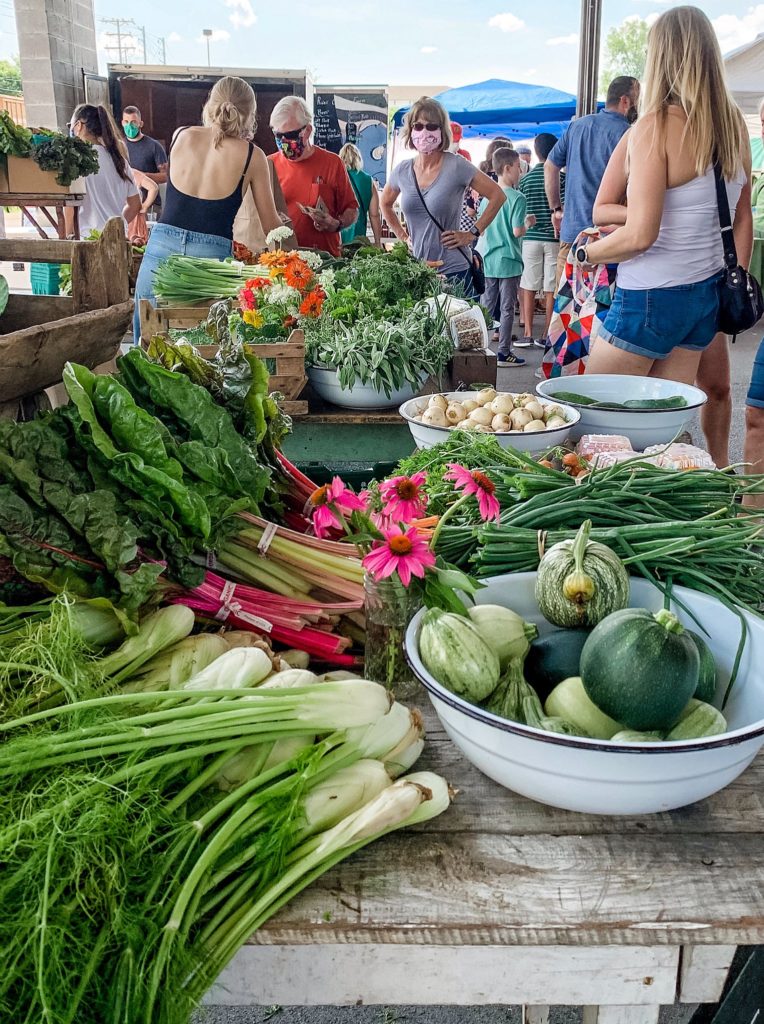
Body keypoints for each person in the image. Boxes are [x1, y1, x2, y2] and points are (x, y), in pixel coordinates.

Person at [581, 6, 751, 387]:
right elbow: (741, 216)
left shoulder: (654, 126)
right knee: (660, 424)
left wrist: (584, 255)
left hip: (649, 294)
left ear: (661, 57)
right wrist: (735, 277)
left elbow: (642, 234)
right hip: (703, 295)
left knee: (593, 416)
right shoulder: (733, 125)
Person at [133, 76, 282, 343]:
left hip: (160, 249)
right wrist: (282, 271)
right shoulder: (252, 156)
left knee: (146, 350)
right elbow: (271, 227)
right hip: (209, 261)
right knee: (203, 353)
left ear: (209, 104)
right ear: (250, 115)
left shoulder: (181, 135)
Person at [380, 97, 505, 295]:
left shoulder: (456, 165)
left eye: (431, 126)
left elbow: (497, 195)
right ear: (411, 130)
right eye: (418, 126)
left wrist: (472, 233)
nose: (424, 132)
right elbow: (385, 203)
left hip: (455, 273)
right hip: (418, 271)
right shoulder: (403, 170)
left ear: (441, 130)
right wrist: (404, 238)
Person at [545, 76, 639, 285]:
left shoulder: (576, 127)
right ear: (625, 101)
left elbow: (550, 166)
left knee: (565, 307)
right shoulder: (630, 135)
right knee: (599, 311)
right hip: (608, 239)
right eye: (637, 99)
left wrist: (556, 210)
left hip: (571, 234)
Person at [268, 96, 358, 258]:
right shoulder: (268, 165)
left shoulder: (332, 163)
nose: (283, 142)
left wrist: (336, 224)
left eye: (290, 135)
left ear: (307, 131)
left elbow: (352, 209)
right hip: (281, 262)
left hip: (325, 261)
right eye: (278, 135)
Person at [479, 148, 534, 367]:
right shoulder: (517, 198)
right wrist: (529, 222)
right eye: (519, 168)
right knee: (507, 308)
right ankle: (503, 351)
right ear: (508, 168)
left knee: (486, 307)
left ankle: (480, 349)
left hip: (488, 258)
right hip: (509, 260)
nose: (521, 172)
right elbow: (517, 231)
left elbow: (481, 230)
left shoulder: (487, 198)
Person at [65, 104, 141, 238]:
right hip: (116, 240)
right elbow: (135, 205)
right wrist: (116, 226)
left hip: (87, 241)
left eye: (70, 126)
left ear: (78, 126)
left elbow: (70, 207)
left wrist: (65, 237)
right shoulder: (119, 161)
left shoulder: (76, 161)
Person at [518, 132, 561, 348]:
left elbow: (520, 211)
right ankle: (546, 332)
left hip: (530, 238)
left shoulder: (525, 180)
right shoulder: (562, 178)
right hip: (554, 238)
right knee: (551, 285)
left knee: (528, 283)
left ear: (536, 152)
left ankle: (527, 331)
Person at [121, 105, 168, 209]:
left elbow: (166, 176)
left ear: (140, 124)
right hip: (125, 205)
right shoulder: (119, 146)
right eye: (126, 122)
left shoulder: (154, 146)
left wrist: (143, 177)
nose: (130, 125)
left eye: (133, 122)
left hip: (151, 205)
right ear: (122, 123)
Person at [338, 143, 382, 247]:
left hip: (339, 235)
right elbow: (374, 215)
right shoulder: (368, 180)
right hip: (359, 237)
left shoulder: (337, 179)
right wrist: (378, 242)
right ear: (358, 158)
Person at [126, 169, 159, 246]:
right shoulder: (130, 172)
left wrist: (145, 206)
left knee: (136, 246)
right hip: (126, 216)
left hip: (133, 217)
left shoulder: (131, 173)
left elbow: (154, 188)